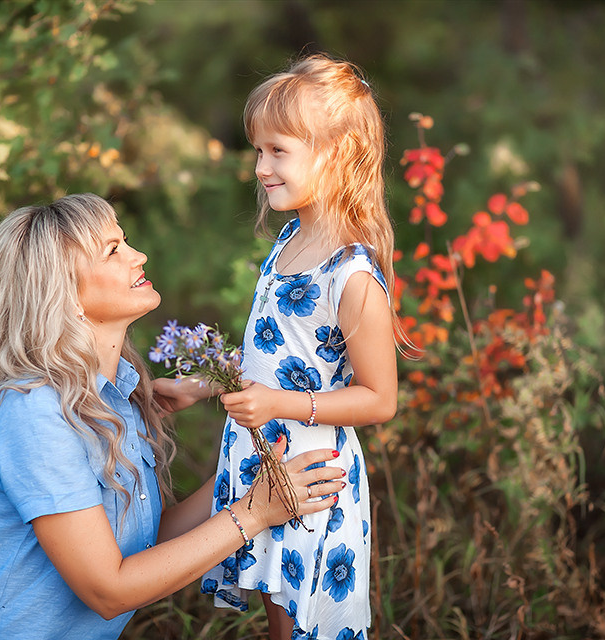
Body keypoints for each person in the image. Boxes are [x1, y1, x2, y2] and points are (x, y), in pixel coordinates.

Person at [0, 194, 346, 640]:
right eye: (112, 250)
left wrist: (253, 475)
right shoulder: (35, 413)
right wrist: (253, 514)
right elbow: (109, 589)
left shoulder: (116, 399)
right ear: (62, 294)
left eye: (125, 241)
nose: (138, 255)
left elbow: (145, 545)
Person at [164, 53, 401, 639]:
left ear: (337, 155)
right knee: (279, 619)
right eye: (258, 150)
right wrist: (203, 385)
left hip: (312, 475)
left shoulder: (351, 276)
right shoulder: (292, 237)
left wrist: (278, 406)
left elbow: (379, 399)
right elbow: (274, 359)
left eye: (278, 152)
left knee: (301, 628)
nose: (261, 167)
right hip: (267, 462)